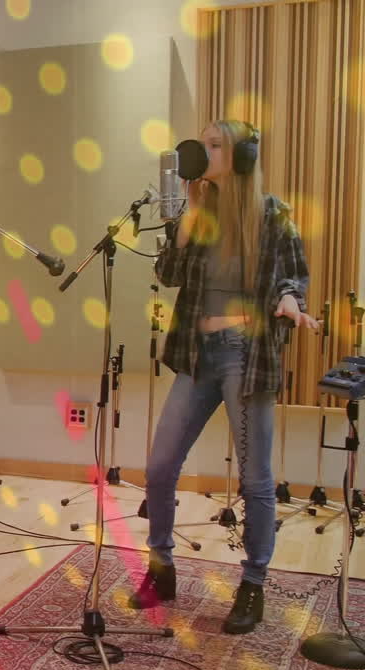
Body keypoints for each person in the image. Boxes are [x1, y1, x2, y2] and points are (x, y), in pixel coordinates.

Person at [130, 119, 318, 634]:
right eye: (203, 143)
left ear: (241, 155)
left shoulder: (272, 213)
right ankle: (161, 567)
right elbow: (166, 276)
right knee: (161, 464)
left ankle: (253, 583)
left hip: (246, 353)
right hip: (197, 353)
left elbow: (293, 274)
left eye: (214, 145)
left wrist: (288, 300)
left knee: (254, 478)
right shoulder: (201, 212)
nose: (202, 151)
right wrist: (187, 220)